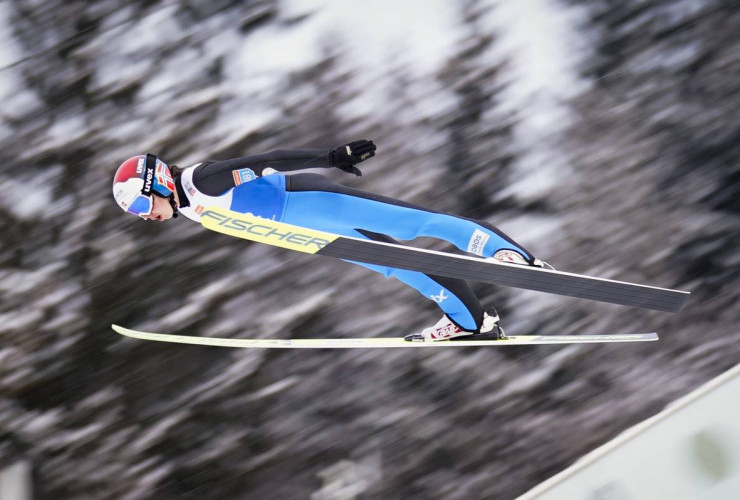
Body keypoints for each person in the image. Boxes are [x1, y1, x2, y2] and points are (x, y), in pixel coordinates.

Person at [112, 140, 549, 341]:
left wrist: (330, 158)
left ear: (159, 183)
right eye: (136, 214)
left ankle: (512, 256)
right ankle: (471, 322)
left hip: (314, 202)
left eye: (140, 206)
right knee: (396, 263)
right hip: (310, 231)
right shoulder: (185, 203)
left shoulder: (202, 181)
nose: (145, 217)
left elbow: (265, 161)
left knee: (413, 224)